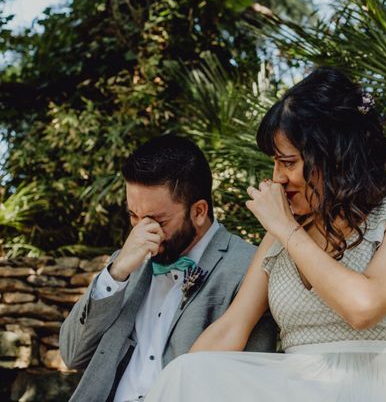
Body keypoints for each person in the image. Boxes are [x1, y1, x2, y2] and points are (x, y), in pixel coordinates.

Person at [145, 68, 386, 401]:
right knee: (186, 370)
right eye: (274, 163)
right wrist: (178, 383)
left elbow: (364, 308)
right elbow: (231, 328)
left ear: (336, 156)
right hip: (295, 388)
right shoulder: (282, 233)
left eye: (288, 162)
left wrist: (286, 229)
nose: (277, 178)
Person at [59, 135, 277, 402]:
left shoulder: (249, 267)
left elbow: (246, 383)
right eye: (133, 216)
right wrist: (116, 274)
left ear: (198, 211)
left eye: (156, 219)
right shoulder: (126, 263)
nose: (142, 230)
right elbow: (72, 353)